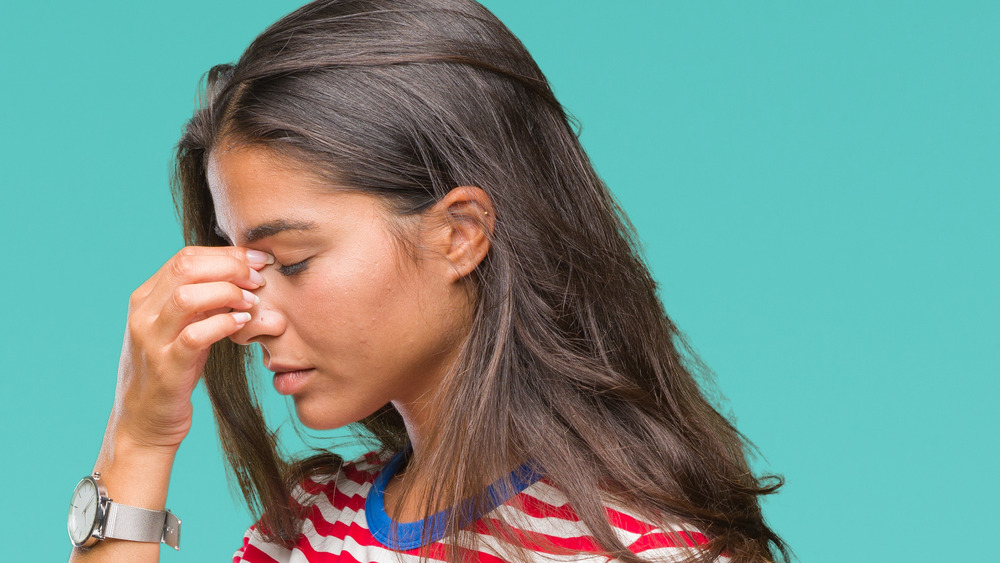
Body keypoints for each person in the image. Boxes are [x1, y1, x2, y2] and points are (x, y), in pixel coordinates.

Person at [68, 1, 789, 561]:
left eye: (290, 261)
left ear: (460, 233)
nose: (251, 316)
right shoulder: (309, 525)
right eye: (241, 260)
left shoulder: (641, 547)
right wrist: (137, 438)